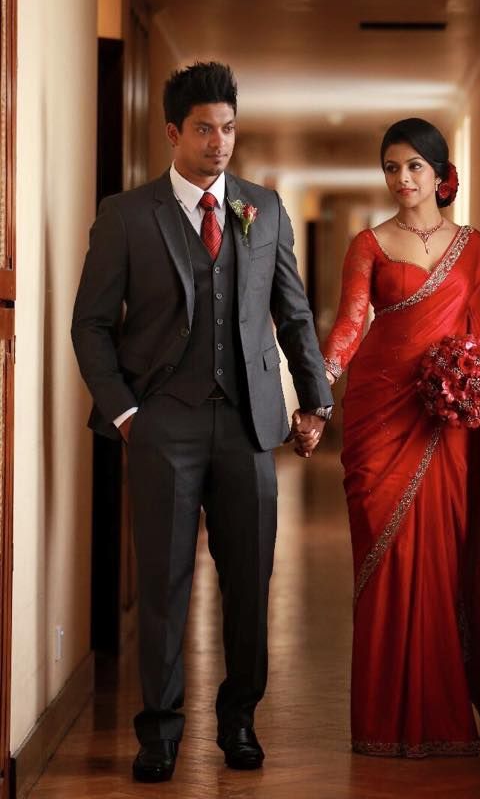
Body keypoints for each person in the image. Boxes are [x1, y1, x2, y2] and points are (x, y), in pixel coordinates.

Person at [72, 61, 333, 781]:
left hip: (249, 428)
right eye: (204, 130)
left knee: (249, 584)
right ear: (173, 133)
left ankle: (240, 721)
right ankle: (158, 732)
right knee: (163, 584)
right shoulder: (127, 215)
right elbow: (90, 325)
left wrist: (314, 401)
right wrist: (126, 412)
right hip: (162, 426)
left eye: (228, 128)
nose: (219, 143)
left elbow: (293, 312)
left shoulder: (264, 208)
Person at [322, 117, 480, 757]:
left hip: (443, 426)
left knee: (440, 564)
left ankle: (443, 719)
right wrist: (319, 390)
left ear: (440, 173)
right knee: (383, 562)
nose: (402, 179)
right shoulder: (367, 244)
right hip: (376, 418)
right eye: (391, 167)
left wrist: (474, 388)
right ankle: (381, 722)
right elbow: (348, 327)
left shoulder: (472, 248)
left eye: (414, 166)